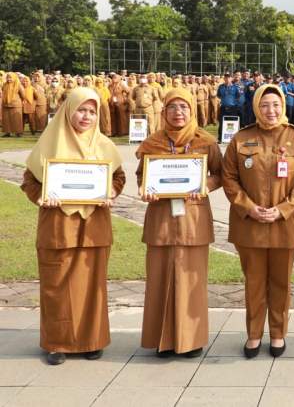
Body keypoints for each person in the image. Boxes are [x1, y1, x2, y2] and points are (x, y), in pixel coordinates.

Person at [20, 88, 125, 365]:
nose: (86, 116)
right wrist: (41, 196)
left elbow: (118, 177)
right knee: (56, 285)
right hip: (58, 225)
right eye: (81, 110)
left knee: (92, 286)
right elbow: (29, 181)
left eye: (92, 112)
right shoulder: (49, 142)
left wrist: (112, 192)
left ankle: (93, 341)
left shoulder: (104, 145)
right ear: (68, 110)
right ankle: (57, 343)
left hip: (94, 226)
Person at [222, 84, 294, 358]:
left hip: (285, 223)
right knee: (253, 282)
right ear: (256, 107)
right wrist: (249, 207)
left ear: (283, 106)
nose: (271, 110)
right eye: (264, 105)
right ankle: (253, 334)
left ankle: (278, 333)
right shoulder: (241, 138)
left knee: (281, 282)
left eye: (276, 104)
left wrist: (283, 208)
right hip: (249, 224)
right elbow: (229, 178)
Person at [136, 88, 223, 358]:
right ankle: (162, 340)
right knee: (159, 278)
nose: (178, 112)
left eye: (184, 107)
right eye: (173, 107)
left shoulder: (205, 141)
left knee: (191, 280)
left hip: (193, 218)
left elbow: (220, 174)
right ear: (164, 112)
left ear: (192, 110)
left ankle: (191, 340)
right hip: (161, 218)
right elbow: (141, 176)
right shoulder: (152, 143)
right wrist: (145, 189)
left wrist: (205, 185)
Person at [217, 73, 243, 143]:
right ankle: (220, 138)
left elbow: (238, 96)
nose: (227, 79)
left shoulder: (235, 87)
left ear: (231, 78)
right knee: (221, 123)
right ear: (224, 78)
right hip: (223, 107)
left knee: (233, 123)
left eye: (229, 77)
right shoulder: (221, 87)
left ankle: (234, 139)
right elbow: (219, 95)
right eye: (226, 77)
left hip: (233, 108)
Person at [2, 72, 25, 137]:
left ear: (14, 78)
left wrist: (19, 100)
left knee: (17, 119)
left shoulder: (18, 85)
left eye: (10, 77)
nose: (8, 79)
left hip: (16, 105)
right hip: (6, 105)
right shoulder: (5, 84)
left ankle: (18, 132)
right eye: (7, 77)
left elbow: (23, 95)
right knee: (7, 120)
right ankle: (7, 132)